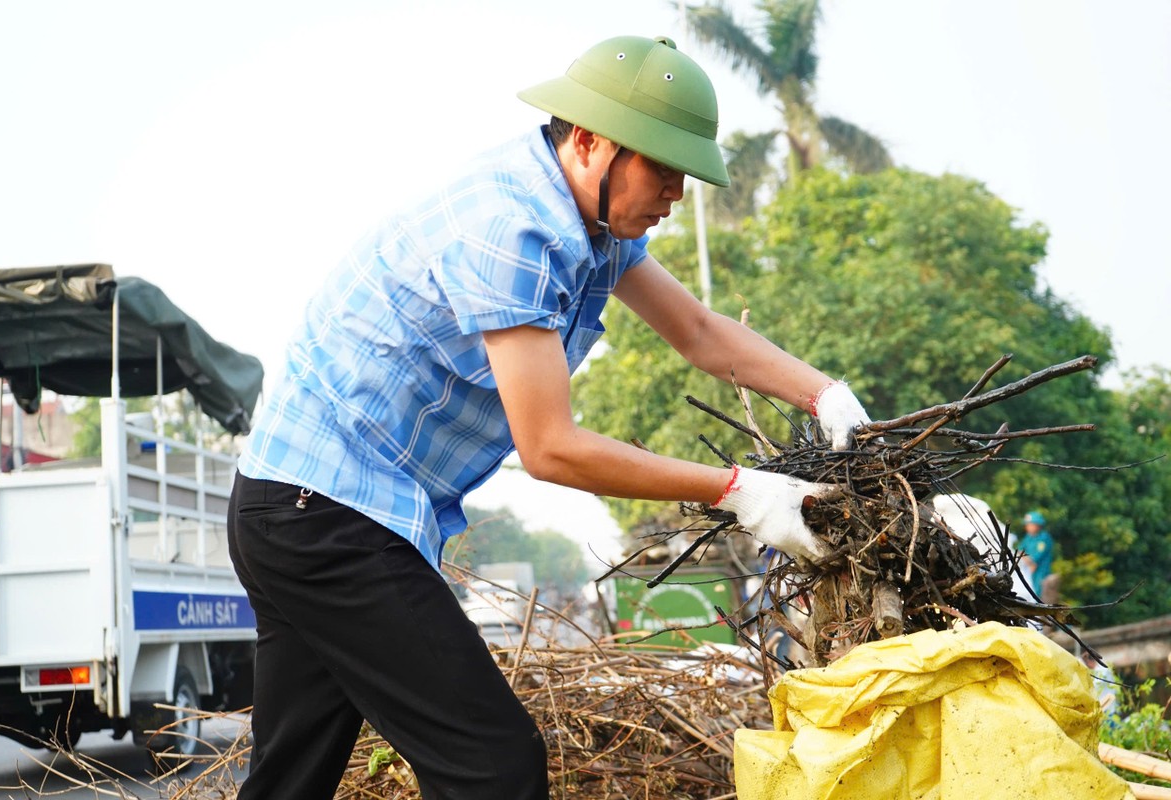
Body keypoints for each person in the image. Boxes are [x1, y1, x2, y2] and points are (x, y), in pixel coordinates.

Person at [226, 35, 871, 800]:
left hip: (294, 507)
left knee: (290, 779)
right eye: (661, 168)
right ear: (592, 141)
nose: (675, 193)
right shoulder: (514, 230)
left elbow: (696, 332)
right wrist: (738, 489)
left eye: (683, 174)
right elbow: (551, 448)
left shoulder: (592, 223)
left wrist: (823, 393)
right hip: (323, 516)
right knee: (492, 767)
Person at [1017, 510, 1056, 602]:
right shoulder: (1028, 537)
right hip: (1028, 569)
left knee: (1037, 593)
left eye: (1030, 524)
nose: (1027, 527)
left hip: (1041, 571)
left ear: (1037, 525)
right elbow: (1019, 550)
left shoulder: (1044, 537)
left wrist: (1030, 561)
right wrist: (1027, 561)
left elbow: (1038, 556)